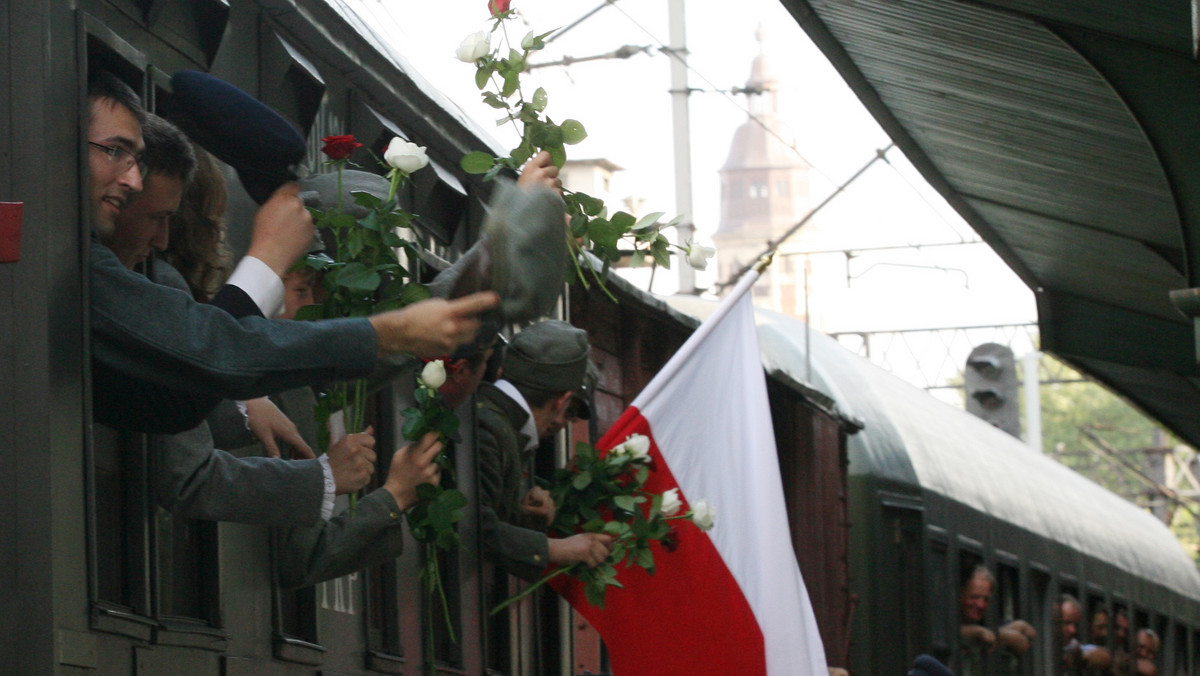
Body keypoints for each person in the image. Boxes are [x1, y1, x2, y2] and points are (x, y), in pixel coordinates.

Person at [85, 71, 501, 434]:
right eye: (115, 150)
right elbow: (213, 355)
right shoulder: (88, 264)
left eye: (137, 159)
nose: (134, 180)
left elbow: (178, 400)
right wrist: (267, 259)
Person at [104, 112, 376, 525]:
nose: (162, 240)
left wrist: (242, 406)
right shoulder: (156, 285)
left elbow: (165, 407)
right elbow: (187, 473)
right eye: (157, 217)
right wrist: (327, 478)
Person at [475, 320, 615, 581]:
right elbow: (473, 529)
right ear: (562, 400)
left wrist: (522, 515)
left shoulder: (496, 421)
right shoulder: (490, 429)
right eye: (569, 410)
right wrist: (558, 548)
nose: (564, 423)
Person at [957, 565, 1035, 676]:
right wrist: (977, 632)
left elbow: (1028, 633)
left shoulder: (988, 621)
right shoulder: (942, 619)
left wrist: (999, 635)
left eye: (986, 599)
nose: (981, 605)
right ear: (960, 593)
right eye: (974, 597)